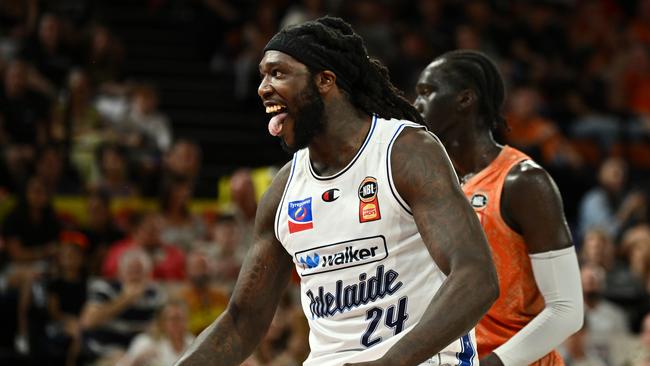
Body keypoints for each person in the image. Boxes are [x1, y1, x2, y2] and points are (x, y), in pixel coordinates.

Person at [176, 16, 498, 366]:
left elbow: (476, 277)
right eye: (263, 75)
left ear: (325, 80)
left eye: (279, 73)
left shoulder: (404, 153)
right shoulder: (284, 191)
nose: (263, 87)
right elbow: (241, 323)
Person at [414, 49, 583, 366]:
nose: (416, 104)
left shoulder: (523, 182)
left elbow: (567, 310)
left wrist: (493, 364)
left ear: (465, 100)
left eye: (427, 92)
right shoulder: (431, 185)